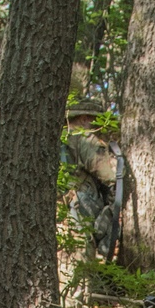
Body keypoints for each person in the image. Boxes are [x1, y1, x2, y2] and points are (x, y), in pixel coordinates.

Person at [62, 96, 122, 264]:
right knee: (81, 267)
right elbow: (110, 175)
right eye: (95, 122)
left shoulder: (56, 139)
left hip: (57, 215)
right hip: (78, 213)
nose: (97, 127)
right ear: (84, 118)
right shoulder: (84, 138)